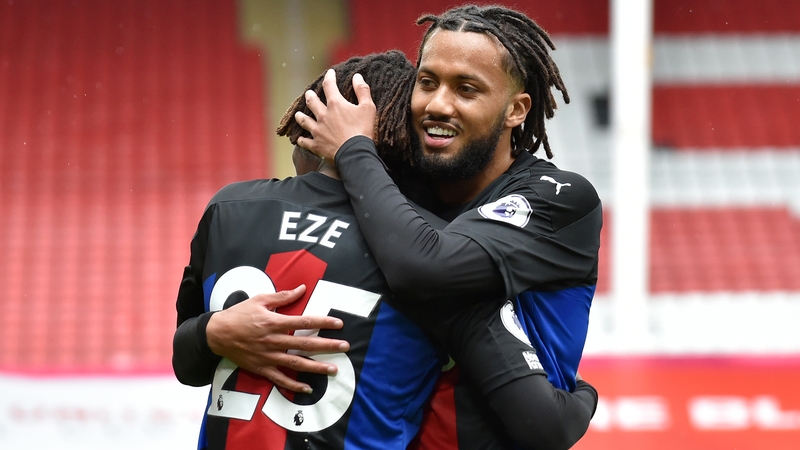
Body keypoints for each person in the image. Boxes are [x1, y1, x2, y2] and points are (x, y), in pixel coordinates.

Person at [175, 50, 597, 450]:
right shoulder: (429, 254)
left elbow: (186, 363)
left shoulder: (229, 208)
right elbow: (541, 422)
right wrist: (584, 394)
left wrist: (211, 333)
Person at [295, 4, 603, 449]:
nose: (438, 104)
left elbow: (424, 268)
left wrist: (353, 150)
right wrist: (210, 334)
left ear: (516, 110)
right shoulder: (391, 192)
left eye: (466, 89)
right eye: (428, 82)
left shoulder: (560, 199)